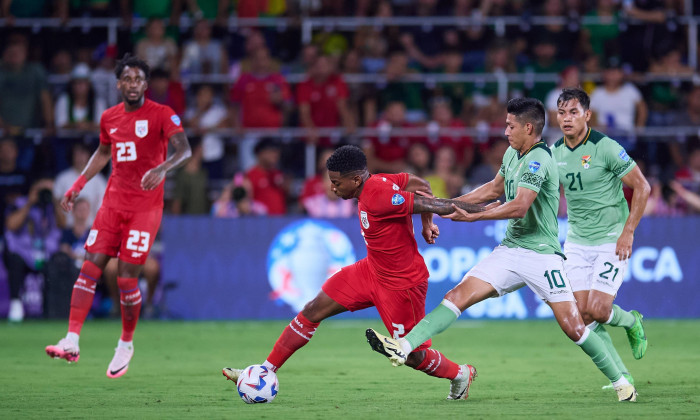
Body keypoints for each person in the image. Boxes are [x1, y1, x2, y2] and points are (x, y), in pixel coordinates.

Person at [365, 98, 639, 402]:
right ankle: (402, 347)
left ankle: (621, 382)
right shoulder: (512, 153)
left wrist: (477, 215)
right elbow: (494, 189)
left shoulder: (540, 159)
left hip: (542, 256)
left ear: (528, 127)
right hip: (510, 250)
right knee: (456, 296)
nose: (505, 131)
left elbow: (520, 206)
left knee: (575, 327)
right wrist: (452, 205)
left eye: (510, 125)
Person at [222, 144, 488, 400]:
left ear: (357, 180)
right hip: (370, 271)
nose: (333, 188)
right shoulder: (382, 181)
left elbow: (436, 203)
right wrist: (425, 225)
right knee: (313, 309)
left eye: (337, 183)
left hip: (402, 285)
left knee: (411, 355)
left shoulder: (381, 196)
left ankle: (460, 374)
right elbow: (422, 185)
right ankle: (264, 371)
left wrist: (492, 211)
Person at [45, 54, 192, 378]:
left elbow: (184, 150)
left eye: (139, 79)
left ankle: (125, 343)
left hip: (145, 208)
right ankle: (71, 340)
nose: (133, 84)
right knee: (89, 267)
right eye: (127, 79)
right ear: (118, 84)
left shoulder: (162, 115)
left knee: (127, 277)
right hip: (112, 204)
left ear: (145, 84)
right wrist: (79, 184)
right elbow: (102, 151)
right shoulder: (109, 117)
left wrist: (162, 167)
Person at [552, 87, 651, 390]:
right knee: (582, 315)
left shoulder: (606, 147)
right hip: (577, 242)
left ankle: (632, 322)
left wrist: (628, 232)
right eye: (561, 112)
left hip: (611, 237)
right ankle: (622, 375)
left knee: (598, 310)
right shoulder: (554, 153)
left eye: (573, 112)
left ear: (587, 115)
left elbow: (642, 187)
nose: (566, 119)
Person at [4, 177, 66, 322]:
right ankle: (15, 305)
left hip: (46, 253)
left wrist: (55, 200)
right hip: (23, 252)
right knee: (14, 259)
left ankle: (53, 308)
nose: (43, 194)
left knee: (60, 261)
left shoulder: (53, 205)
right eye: (41, 190)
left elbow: (63, 224)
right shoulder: (20, 203)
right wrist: (30, 202)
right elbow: (11, 225)